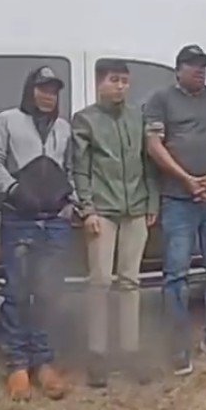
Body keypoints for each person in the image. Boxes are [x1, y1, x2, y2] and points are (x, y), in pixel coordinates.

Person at [144, 45, 206, 376]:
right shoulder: (161, 100)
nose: (200, 70)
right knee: (175, 274)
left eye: (204, 65)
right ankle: (177, 345)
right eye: (193, 64)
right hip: (177, 199)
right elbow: (154, 145)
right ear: (178, 69)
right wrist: (187, 180)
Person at [0, 65, 73, 401]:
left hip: (55, 222)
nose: (48, 95)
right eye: (42, 88)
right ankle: (17, 364)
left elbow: (73, 168)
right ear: (29, 89)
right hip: (18, 219)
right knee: (18, 294)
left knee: (49, 293)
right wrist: (13, 189)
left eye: (53, 90)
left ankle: (44, 362)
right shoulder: (7, 120)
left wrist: (70, 201)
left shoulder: (64, 128)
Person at [71, 59, 159, 388]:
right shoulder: (86, 120)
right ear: (99, 83)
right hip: (103, 211)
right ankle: (97, 354)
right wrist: (88, 209)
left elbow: (148, 164)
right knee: (100, 281)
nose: (120, 86)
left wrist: (151, 201)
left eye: (125, 80)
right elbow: (79, 168)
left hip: (135, 210)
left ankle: (131, 351)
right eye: (114, 79)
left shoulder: (139, 119)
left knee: (130, 281)